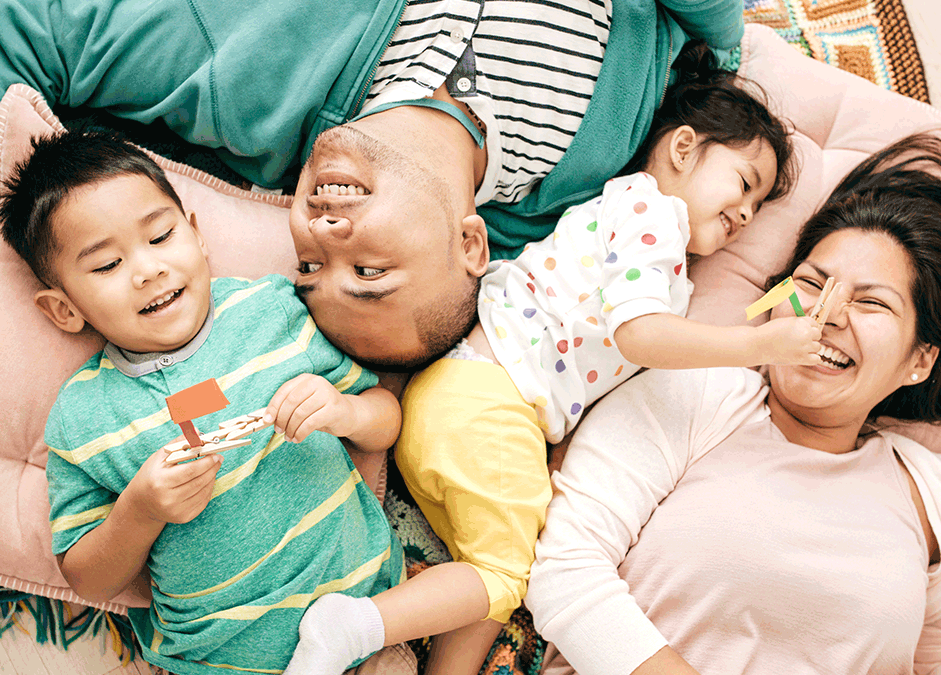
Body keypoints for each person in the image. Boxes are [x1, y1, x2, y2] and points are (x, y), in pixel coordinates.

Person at [0, 0, 747, 417]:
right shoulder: (585, 174)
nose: (319, 232)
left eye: (306, 265)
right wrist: (729, 39)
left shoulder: (244, 80)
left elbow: (17, 22)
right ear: (472, 244)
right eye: (367, 269)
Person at [285, 51, 810, 675]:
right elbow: (641, 336)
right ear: (683, 148)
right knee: (505, 575)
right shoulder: (651, 215)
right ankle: (353, 626)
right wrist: (759, 347)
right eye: (745, 184)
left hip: (469, 400)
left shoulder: (649, 247)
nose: (745, 215)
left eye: (757, 210)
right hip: (489, 401)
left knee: (488, 574)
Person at [525, 133, 941, 675]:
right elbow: (566, 571)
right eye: (811, 283)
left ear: (919, 361)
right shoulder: (691, 394)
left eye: (872, 302)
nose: (826, 315)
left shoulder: (937, 492)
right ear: (773, 303)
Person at [0, 129, 407, 675]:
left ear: (196, 234)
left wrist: (346, 411)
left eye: (161, 236)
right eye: (107, 265)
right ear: (65, 310)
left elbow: (387, 418)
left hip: (369, 622)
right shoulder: (83, 417)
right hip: (217, 660)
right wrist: (139, 511)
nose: (148, 270)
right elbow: (87, 579)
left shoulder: (272, 313)